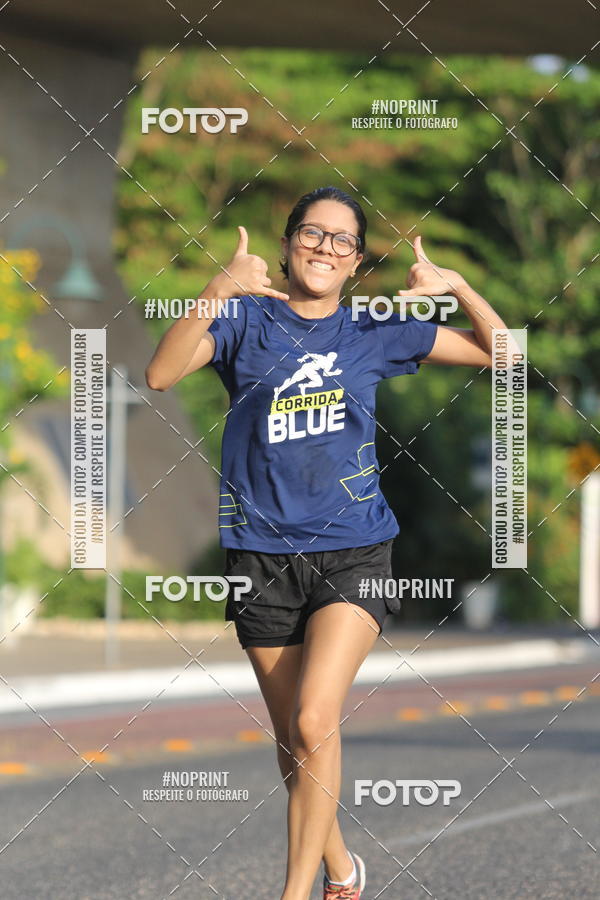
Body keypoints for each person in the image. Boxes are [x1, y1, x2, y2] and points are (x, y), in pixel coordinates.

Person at [146, 185, 507, 900]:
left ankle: (294, 894)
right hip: (258, 553)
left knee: (316, 718)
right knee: (295, 742)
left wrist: (458, 285)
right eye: (312, 234)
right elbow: (160, 373)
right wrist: (217, 286)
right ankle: (343, 868)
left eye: (343, 241)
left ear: (356, 264)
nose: (325, 248)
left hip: (355, 549)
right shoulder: (245, 321)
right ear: (286, 248)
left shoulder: (373, 329)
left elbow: (502, 355)